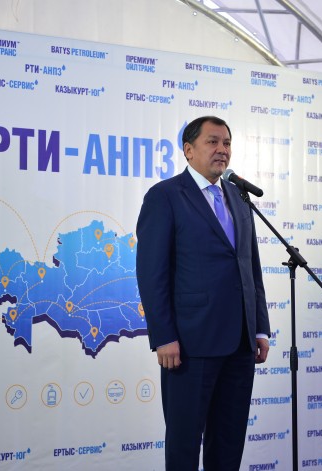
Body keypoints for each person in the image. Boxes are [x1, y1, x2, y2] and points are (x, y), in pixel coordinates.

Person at [136, 115, 271, 470]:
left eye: (226, 143)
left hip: (240, 343)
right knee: (184, 445)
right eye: (212, 142)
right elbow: (152, 274)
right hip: (189, 345)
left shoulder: (239, 197)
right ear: (188, 149)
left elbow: (251, 267)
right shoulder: (165, 196)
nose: (222, 149)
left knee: (228, 444)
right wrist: (163, 336)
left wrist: (259, 327)